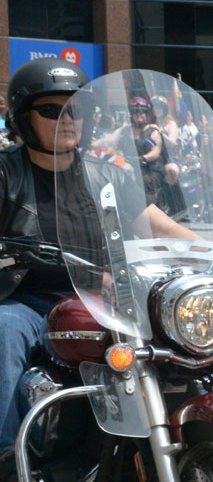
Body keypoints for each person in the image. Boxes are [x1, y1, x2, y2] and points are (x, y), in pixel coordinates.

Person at [0, 59, 196, 452]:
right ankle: (5, 456)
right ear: (22, 120)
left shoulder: (108, 175)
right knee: (3, 331)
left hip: (102, 302)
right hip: (26, 302)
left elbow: (156, 224)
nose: (68, 119)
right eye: (53, 111)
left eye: (78, 110)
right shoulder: (6, 174)